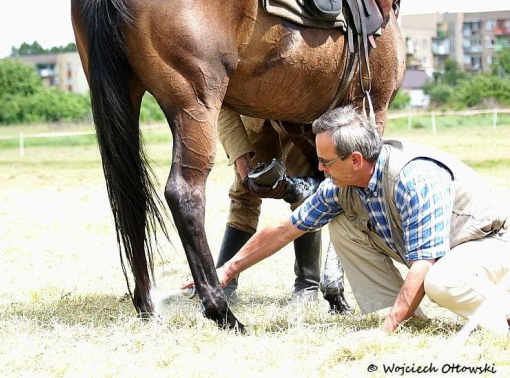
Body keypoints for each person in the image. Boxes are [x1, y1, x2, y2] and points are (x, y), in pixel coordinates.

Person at [188, 105, 510, 333]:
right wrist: (226, 270)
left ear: (355, 159)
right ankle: (406, 319)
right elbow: (286, 230)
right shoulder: (343, 184)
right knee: (342, 224)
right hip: (445, 252)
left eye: (326, 162)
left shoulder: (414, 178)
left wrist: (385, 332)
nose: (321, 169)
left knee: (442, 283)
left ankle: (502, 319)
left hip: (486, 242)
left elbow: (424, 264)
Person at [216, 108, 324, 304]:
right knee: (243, 194)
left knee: (305, 194)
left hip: (298, 115)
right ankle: (224, 282)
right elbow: (224, 109)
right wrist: (245, 173)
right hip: (253, 115)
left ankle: (307, 285)